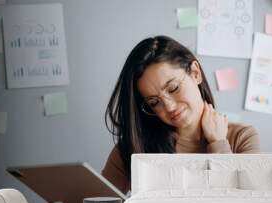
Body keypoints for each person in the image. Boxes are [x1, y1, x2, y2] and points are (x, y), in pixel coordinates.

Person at [102, 35, 260, 194]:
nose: (169, 107)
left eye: (173, 88)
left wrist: (218, 143)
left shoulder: (242, 137)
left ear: (195, 73)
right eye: (154, 102)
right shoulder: (134, 146)